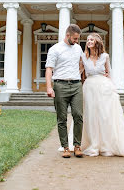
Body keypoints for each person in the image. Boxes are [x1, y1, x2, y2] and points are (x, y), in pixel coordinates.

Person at [80, 33, 124, 157]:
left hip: (104, 87)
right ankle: (93, 144)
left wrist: (113, 89)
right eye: (87, 40)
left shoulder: (105, 56)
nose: (88, 41)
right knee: (90, 115)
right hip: (89, 86)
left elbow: (110, 73)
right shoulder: (83, 56)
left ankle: (106, 145)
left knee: (105, 115)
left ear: (97, 42)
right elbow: (79, 71)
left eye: (91, 39)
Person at [45, 24, 84, 158]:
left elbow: (82, 63)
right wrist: (49, 87)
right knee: (61, 118)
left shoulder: (78, 48)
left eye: (78, 39)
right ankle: (66, 147)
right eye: (75, 38)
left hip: (76, 85)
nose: (77, 41)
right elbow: (49, 69)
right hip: (60, 85)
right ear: (68, 35)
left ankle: (77, 146)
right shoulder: (55, 49)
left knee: (78, 115)